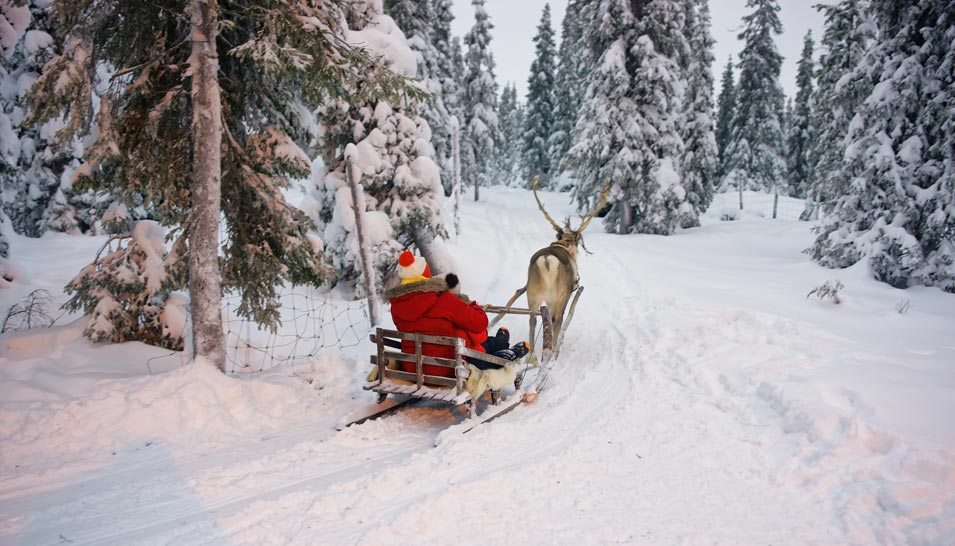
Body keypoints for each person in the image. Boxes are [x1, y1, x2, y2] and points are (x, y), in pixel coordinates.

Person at [384, 251, 528, 377]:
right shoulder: (442, 299)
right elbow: (479, 323)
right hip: (446, 368)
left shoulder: (397, 305)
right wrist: (470, 304)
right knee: (474, 341)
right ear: (426, 275)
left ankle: (500, 344)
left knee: (469, 339)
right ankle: (502, 348)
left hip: (413, 368)